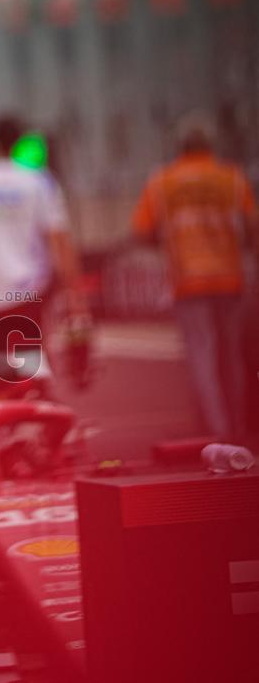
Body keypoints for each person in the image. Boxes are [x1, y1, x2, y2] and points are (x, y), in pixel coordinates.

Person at [132, 111, 258, 442]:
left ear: (180, 146)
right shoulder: (231, 178)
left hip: (188, 280)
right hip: (230, 277)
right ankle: (241, 426)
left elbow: (142, 230)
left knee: (202, 355)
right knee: (232, 356)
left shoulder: (162, 182)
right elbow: (252, 228)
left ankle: (217, 430)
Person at [0, 115, 86, 385]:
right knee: (32, 365)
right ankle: (37, 410)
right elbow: (58, 239)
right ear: (19, 141)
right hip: (31, 289)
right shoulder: (38, 181)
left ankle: (6, 420)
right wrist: (75, 296)